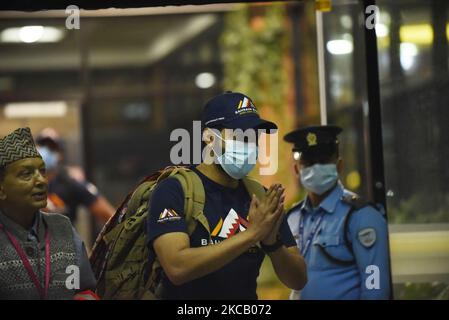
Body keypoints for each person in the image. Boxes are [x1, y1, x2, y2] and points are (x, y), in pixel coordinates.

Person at [146, 91, 307, 299]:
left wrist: (272, 242)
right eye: (239, 135)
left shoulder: (259, 197)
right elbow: (177, 268)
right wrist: (252, 234)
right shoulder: (174, 191)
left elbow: (298, 279)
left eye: (253, 137)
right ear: (209, 136)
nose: (249, 145)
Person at [283, 125, 391, 300]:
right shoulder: (292, 218)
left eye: (323, 161)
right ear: (297, 170)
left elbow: (375, 289)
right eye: (309, 163)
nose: (316, 168)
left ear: (339, 165)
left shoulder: (362, 217)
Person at [0, 127, 97, 299]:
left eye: (42, 171)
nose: (41, 181)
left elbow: (80, 289)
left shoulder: (63, 228)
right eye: (26, 174)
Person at [35, 128, 114, 225]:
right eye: (42, 146)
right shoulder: (25, 182)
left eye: (52, 148)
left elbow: (109, 215)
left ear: (61, 154)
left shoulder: (70, 182)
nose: (46, 151)